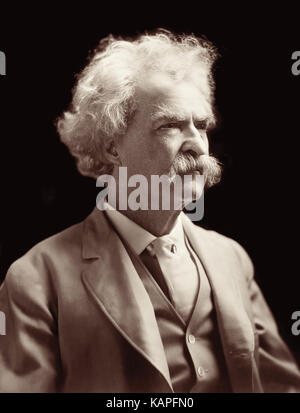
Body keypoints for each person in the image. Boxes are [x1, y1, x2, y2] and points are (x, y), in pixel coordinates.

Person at [0, 29, 299, 393]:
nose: (197, 145)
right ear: (112, 147)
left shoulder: (232, 257)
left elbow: (281, 386)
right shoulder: (35, 279)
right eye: (170, 125)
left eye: (201, 126)